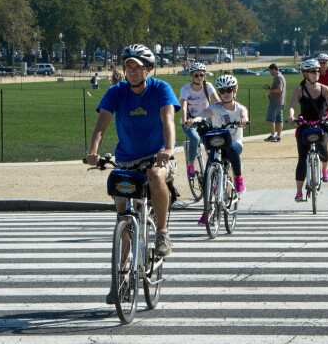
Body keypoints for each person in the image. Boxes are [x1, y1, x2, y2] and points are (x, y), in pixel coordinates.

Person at [85, 44, 180, 304]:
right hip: (126, 160)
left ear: (149, 70)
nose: (132, 72)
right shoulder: (117, 92)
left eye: (137, 67)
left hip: (157, 156)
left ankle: (162, 233)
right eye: (128, 67)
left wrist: (168, 149)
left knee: (156, 176)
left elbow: (168, 120)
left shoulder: (161, 89)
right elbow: (100, 125)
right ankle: (120, 279)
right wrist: (93, 151)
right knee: (123, 221)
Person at [187, 74, 249, 225]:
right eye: (222, 91)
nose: (226, 93)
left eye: (229, 90)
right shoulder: (214, 107)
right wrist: (195, 120)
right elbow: (204, 115)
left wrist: (243, 120)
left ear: (235, 90)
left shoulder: (239, 108)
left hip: (234, 143)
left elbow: (245, 116)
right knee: (209, 172)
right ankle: (208, 210)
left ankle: (239, 178)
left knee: (232, 148)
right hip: (218, 143)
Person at [287, 59, 328, 201]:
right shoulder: (299, 90)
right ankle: (299, 191)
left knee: (323, 149)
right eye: (313, 71)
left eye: (317, 71)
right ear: (305, 74)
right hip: (304, 124)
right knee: (302, 159)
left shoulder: (324, 89)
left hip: (321, 123)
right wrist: (291, 115)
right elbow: (292, 105)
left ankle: (324, 169)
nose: (317, 73)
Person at [178, 62, 220, 182]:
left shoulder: (208, 86)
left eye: (201, 75)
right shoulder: (185, 89)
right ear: (191, 76)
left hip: (205, 120)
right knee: (195, 139)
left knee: (212, 143)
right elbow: (184, 106)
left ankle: (213, 170)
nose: (199, 77)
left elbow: (216, 101)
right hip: (190, 121)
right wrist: (185, 120)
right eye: (196, 75)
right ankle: (191, 164)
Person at [264, 63, 286, 142]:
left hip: (275, 101)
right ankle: (278, 136)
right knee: (279, 120)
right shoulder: (282, 76)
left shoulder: (278, 77)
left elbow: (279, 89)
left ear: (273, 69)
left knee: (270, 119)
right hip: (281, 101)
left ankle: (273, 136)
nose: (270, 73)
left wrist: (270, 90)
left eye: (270, 71)